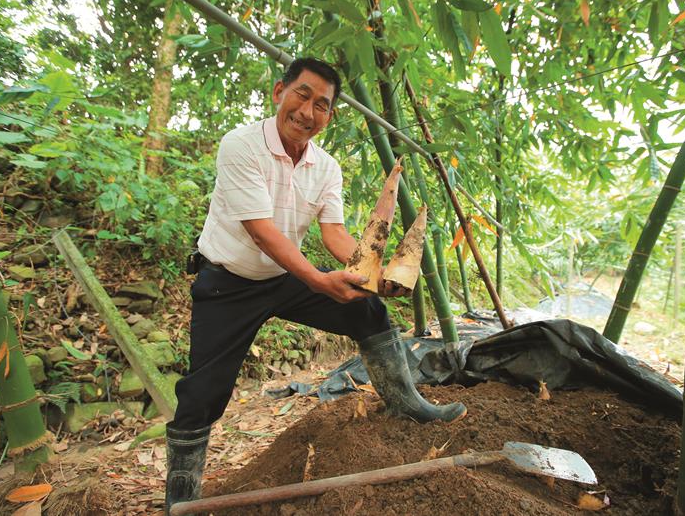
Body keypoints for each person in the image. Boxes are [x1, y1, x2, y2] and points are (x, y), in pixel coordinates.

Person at [164, 57, 466, 513]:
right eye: (302, 95)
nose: (308, 111)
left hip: (284, 276)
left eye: (322, 105)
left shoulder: (326, 167)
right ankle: (180, 498)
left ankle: (407, 403)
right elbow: (261, 231)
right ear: (279, 92)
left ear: (330, 115)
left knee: (368, 311)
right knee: (202, 394)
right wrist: (320, 281)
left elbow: (334, 235)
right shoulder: (241, 145)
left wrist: (373, 272)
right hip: (228, 281)